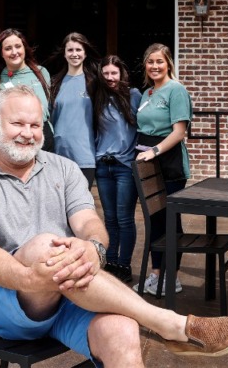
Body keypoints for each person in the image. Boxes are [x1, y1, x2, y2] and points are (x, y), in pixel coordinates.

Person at [0, 86, 228, 366]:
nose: (28, 134)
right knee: (46, 245)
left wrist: (93, 249)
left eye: (35, 125)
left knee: (122, 328)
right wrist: (30, 278)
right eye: (18, 124)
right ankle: (170, 323)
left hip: (67, 292)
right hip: (7, 301)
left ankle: (164, 324)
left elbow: (89, 222)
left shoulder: (63, 168)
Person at [134, 43, 193, 297]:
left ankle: (173, 277)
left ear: (168, 63)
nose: (155, 66)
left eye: (159, 62)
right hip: (148, 164)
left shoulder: (176, 91)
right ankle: (156, 274)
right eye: (150, 62)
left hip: (168, 163)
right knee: (155, 220)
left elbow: (179, 132)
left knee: (170, 220)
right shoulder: (147, 93)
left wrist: (154, 151)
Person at [91, 55, 141, 284]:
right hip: (103, 165)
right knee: (109, 219)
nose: (110, 78)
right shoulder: (96, 98)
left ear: (121, 74)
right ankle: (110, 262)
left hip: (125, 166)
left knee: (125, 218)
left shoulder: (134, 96)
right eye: (106, 73)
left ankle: (124, 264)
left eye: (114, 73)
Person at [0, 28, 54, 151]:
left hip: (43, 136)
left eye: (18, 46)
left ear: (24, 48)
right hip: (12, 140)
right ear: (1, 53)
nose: (14, 52)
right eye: (8, 48)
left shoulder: (41, 73)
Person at [49, 32, 100, 187]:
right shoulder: (55, 84)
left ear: (85, 53)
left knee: (82, 207)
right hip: (59, 156)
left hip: (85, 155)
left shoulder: (94, 83)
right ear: (64, 54)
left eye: (78, 50)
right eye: (70, 50)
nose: (74, 54)